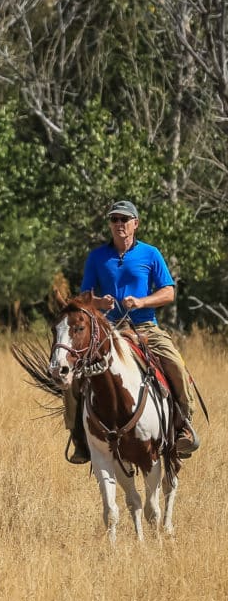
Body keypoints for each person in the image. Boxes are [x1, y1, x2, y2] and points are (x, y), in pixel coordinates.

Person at [63, 199, 199, 464]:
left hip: (146, 326)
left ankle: (183, 425)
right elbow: (83, 295)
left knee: (175, 364)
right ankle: (78, 436)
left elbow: (169, 292)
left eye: (124, 220)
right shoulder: (97, 257)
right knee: (72, 375)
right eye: (114, 220)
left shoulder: (150, 254)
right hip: (108, 329)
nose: (119, 224)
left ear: (135, 224)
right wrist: (100, 303)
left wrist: (142, 301)